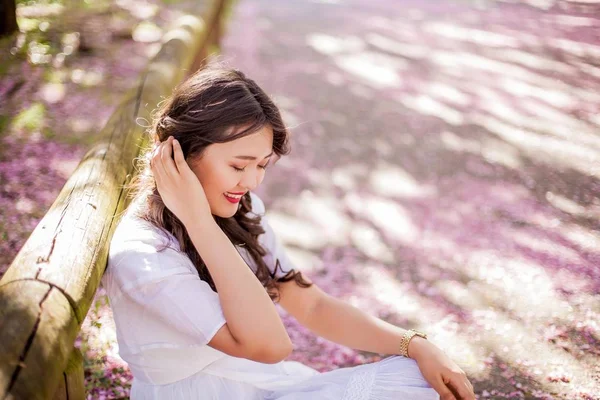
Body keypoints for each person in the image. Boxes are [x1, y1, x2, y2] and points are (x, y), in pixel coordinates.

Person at [101, 65, 476, 400]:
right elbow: (270, 345)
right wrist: (199, 222)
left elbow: (310, 304)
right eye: (238, 165)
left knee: (421, 378)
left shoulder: (237, 211)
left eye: (262, 165)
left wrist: (415, 345)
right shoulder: (145, 256)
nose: (251, 182)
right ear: (178, 154)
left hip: (267, 385)